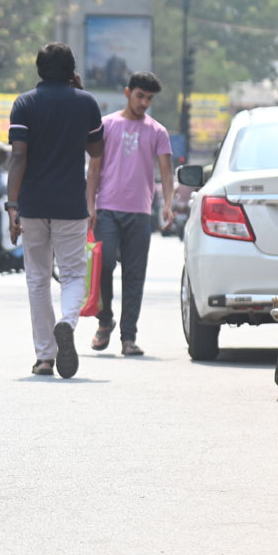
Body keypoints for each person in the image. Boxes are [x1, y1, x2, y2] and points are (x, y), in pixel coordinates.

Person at [7, 42, 104, 378]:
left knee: (37, 279)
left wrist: (12, 206)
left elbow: (18, 157)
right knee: (73, 275)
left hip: (33, 204)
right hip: (70, 204)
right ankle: (67, 322)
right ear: (72, 71)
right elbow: (96, 151)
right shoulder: (86, 103)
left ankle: (45, 357)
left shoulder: (25, 103)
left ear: (39, 69)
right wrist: (80, 96)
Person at [85, 71, 174, 357]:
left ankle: (129, 337)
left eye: (149, 98)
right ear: (127, 93)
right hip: (107, 209)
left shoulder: (157, 131)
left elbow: (166, 172)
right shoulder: (107, 125)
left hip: (140, 211)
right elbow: (94, 168)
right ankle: (105, 320)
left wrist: (168, 204)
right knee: (103, 266)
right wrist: (90, 205)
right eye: (140, 96)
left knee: (134, 275)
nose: (144, 102)